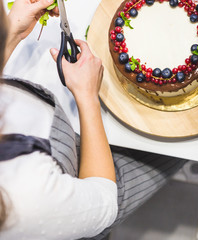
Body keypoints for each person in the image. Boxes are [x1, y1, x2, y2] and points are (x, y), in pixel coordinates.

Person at [0, 0, 185, 239]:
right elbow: (104, 200)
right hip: (86, 188)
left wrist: (11, 34)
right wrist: (87, 97)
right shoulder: (25, 201)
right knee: (172, 139)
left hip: (62, 128)